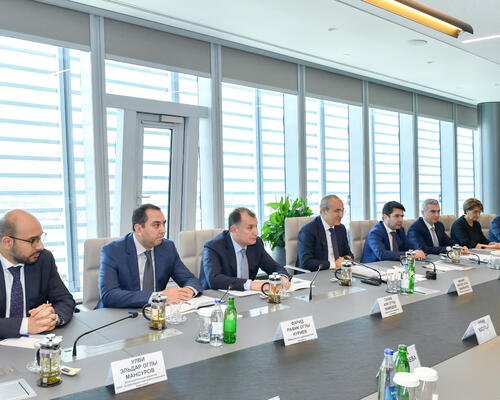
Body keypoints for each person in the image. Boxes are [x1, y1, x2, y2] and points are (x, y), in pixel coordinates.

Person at [98, 204, 203, 308]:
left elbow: (189, 279)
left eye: (164, 224)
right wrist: (157, 297)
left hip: (156, 313)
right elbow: (109, 295)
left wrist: (188, 291)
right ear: (139, 229)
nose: (163, 230)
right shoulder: (113, 251)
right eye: (156, 225)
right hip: (119, 313)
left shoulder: (167, 248)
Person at [0, 210, 75, 339]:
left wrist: (52, 318)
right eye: (32, 240)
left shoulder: (43, 259)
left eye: (40, 238)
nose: (41, 246)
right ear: (7, 242)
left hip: (35, 342)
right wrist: (26, 325)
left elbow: (64, 300)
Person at [199, 208, 291, 291]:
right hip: (216, 299)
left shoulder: (256, 244)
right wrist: (251, 284)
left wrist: (282, 277)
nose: (256, 232)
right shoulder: (213, 247)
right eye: (250, 228)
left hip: (247, 298)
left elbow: (274, 267)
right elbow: (214, 280)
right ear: (234, 230)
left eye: (256, 226)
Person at [297, 195, 353, 271]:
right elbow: (306, 262)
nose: (341, 215)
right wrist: (333, 264)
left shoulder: (341, 228)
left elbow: (348, 254)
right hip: (316, 274)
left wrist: (346, 259)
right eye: (337, 211)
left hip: (338, 272)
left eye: (342, 211)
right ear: (324, 211)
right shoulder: (308, 230)